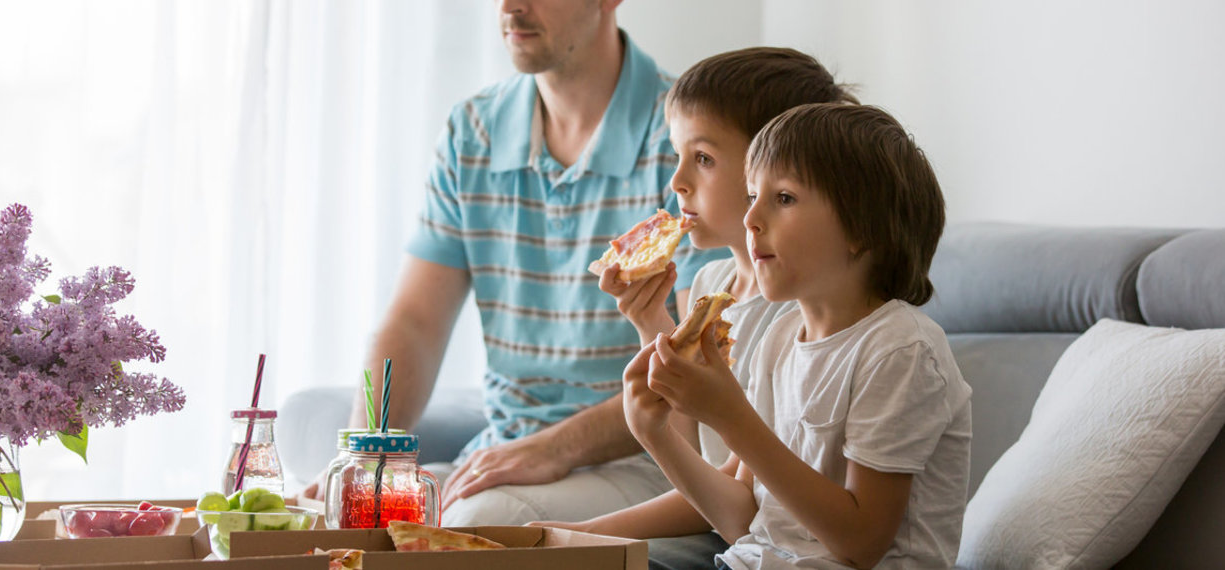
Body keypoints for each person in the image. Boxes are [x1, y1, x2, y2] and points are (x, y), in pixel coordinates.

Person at [303, 0, 727, 526]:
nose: (510, 7)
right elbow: (415, 323)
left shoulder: (687, 139)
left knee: (462, 527)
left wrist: (556, 447)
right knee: (354, 518)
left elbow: (696, 363)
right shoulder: (472, 132)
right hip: (504, 454)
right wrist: (368, 460)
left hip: (651, 461)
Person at [590, 103, 972, 569]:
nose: (751, 218)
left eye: (784, 198)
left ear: (862, 229)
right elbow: (741, 521)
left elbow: (862, 543)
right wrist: (653, 434)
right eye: (752, 195)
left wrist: (732, 417)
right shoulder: (780, 336)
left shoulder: (900, 350)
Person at [546, 48, 858, 569]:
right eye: (677, 155)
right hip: (725, 528)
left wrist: (582, 536)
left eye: (704, 159)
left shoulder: (794, 315)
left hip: (762, 540)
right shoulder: (714, 282)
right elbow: (693, 461)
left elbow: (738, 502)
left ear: (774, 173)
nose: (677, 182)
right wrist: (652, 323)